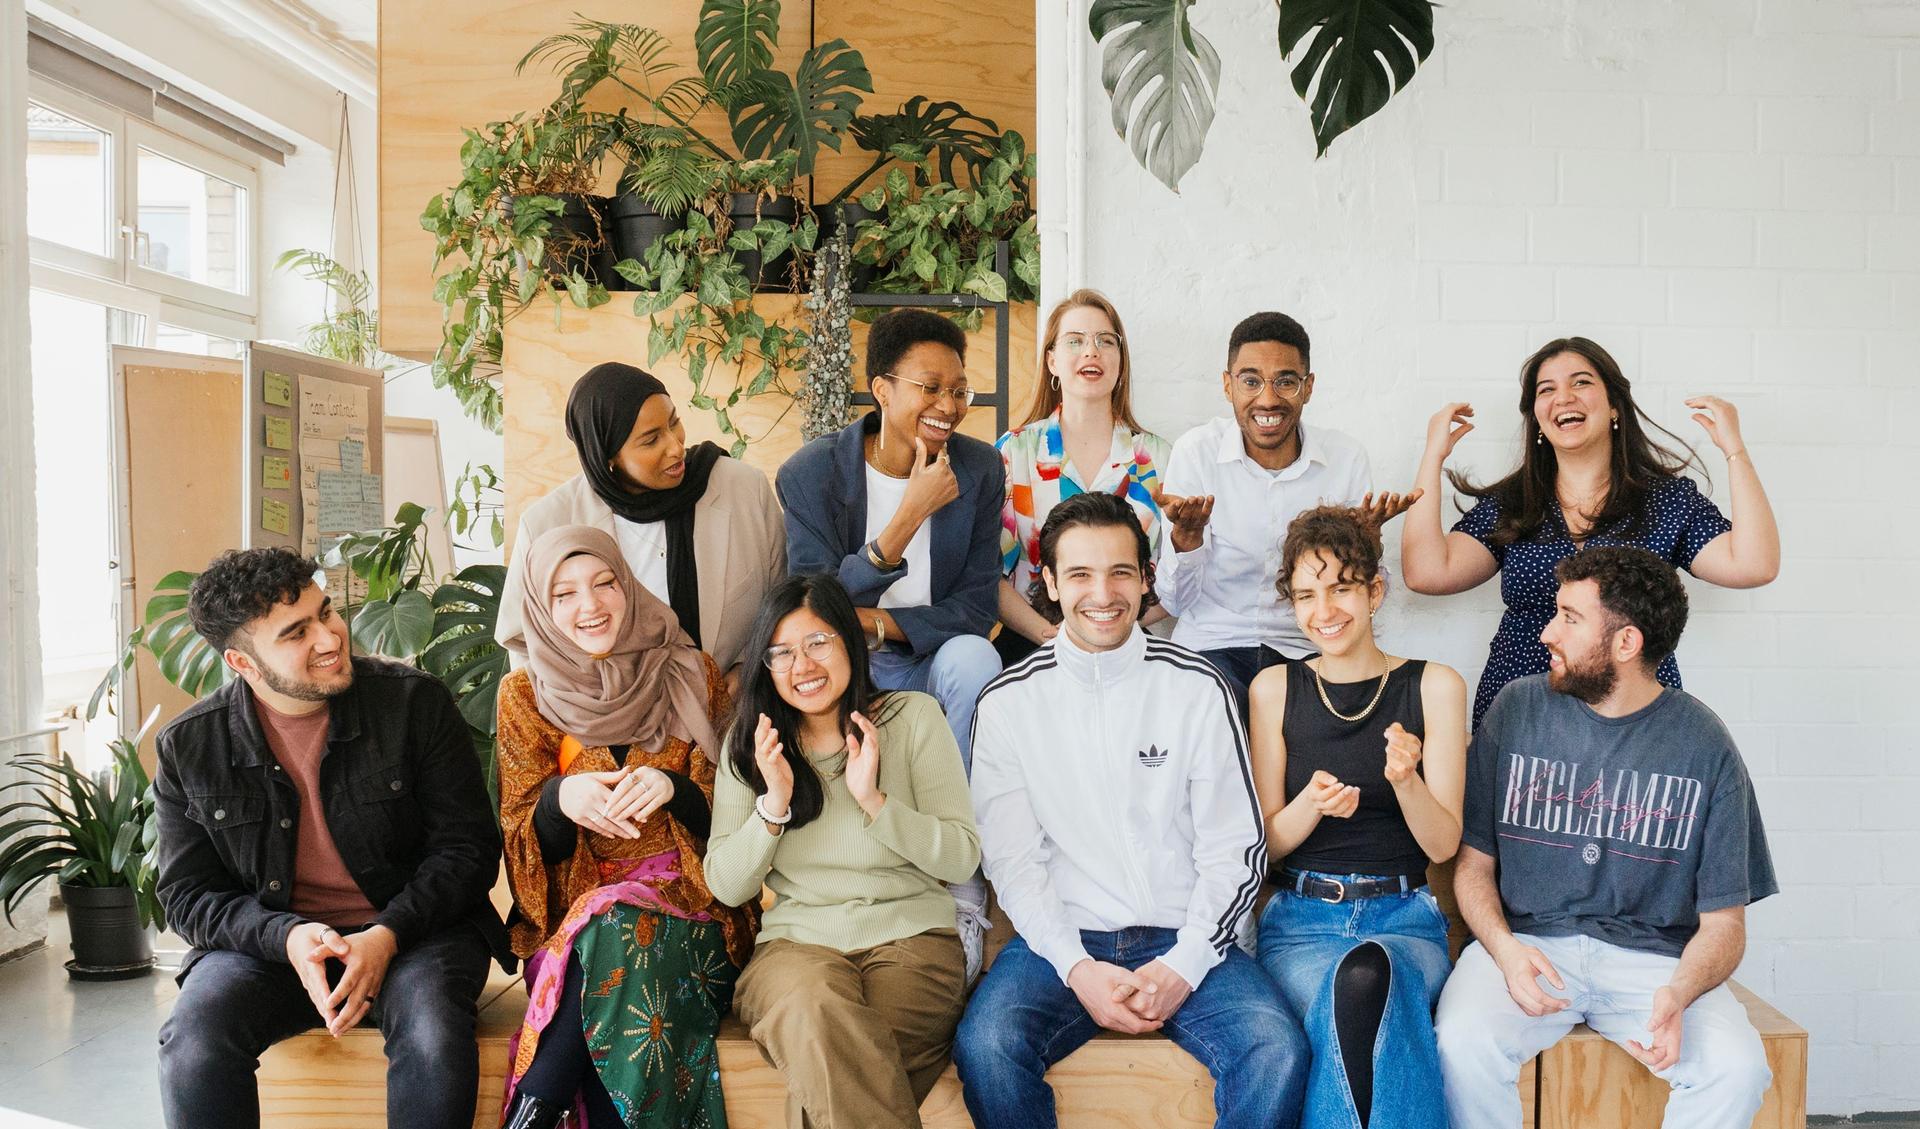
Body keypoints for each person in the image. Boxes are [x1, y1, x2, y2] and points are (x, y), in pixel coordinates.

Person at [955, 491, 1308, 1129]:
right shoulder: (1007, 703)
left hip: (1185, 932)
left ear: (1147, 580)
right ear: (1051, 584)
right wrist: (1076, 967)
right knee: (986, 1046)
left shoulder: (1198, 686)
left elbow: (1235, 847)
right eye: (1081, 574)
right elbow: (1012, 861)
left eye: (1121, 571)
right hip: (1059, 943)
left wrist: (1186, 961)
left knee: (1274, 1048)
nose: (1103, 593)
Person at [153, 548, 509, 1129]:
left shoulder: (413, 703)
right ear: (242, 661)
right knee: (193, 1038)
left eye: (327, 612)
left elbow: (466, 849)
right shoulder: (190, 746)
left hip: (415, 935)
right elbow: (188, 895)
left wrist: (386, 935)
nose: (329, 637)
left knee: (433, 1032)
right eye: (297, 632)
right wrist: (287, 937)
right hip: (274, 950)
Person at [1434, 546, 1777, 1129]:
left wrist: (1681, 992)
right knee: (1460, 1044)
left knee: (1738, 1069)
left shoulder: (1704, 743)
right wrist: (1505, 950)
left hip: (1657, 963)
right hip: (1530, 948)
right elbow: (1473, 866)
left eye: (1569, 617)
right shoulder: (1515, 710)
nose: (1547, 633)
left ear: (1626, 643)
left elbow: (1725, 925)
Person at [494, 527, 758, 1129]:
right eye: (563, 594)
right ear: (539, 604)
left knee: (614, 926)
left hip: (692, 918)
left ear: (627, 583)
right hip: (575, 930)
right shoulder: (524, 696)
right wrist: (561, 800)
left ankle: (528, 1117)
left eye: (603, 582)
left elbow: (733, 821)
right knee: (607, 928)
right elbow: (519, 836)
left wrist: (677, 789)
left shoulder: (691, 675)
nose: (589, 606)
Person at [704, 574, 982, 1129]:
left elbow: (961, 858)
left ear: (851, 643)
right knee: (818, 1017)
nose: (802, 666)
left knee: (837, 1060)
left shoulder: (913, 718)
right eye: (781, 653)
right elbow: (727, 886)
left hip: (913, 945)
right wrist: (773, 805)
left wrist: (874, 800)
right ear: (765, 665)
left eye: (818, 643)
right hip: (795, 951)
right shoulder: (750, 745)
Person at [776, 308, 1001, 973]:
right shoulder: (810, 475)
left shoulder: (980, 470)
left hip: (933, 658)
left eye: (959, 389)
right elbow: (814, 609)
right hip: (852, 669)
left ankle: (961, 885)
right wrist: (906, 517)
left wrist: (878, 623)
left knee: (975, 656)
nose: (948, 405)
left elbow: (978, 604)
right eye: (929, 387)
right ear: (882, 389)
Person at [1402, 337, 1780, 725]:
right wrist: (1433, 456)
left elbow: (1753, 564)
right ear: (1536, 418)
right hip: (1522, 716)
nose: (1563, 397)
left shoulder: (1665, 501)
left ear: (1615, 405)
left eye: (1581, 383)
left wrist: (1734, 450)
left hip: (1633, 718)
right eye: (1546, 389)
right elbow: (1427, 572)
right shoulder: (1514, 503)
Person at [1249, 506, 1468, 1129]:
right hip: (1298, 926)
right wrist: (1308, 808)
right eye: (1306, 595)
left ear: (1374, 592)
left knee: (1372, 973)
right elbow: (1264, 847)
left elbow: (1443, 844)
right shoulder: (1273, 689)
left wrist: (1406, 782)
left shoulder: (1435, 686)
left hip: (1407, 922)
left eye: (1342, 588)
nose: (1325, 611)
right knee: (1357, 984)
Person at [1156, 312, 1412, 709]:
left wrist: (1368, 548)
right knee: (1215, 718)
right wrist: (1185, 541)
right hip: (1213, 647)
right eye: (1251, 381)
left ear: (1308, 388)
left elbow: (1365, 599)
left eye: (1286, 382)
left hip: (1305, 651)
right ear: (1228, 385)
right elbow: (1174, 603)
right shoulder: (1197, 452)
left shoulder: (1345, 458)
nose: (1268, 398)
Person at [497, 361, 786, 680]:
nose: (676, 447)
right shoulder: (548, 524)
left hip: (736, 719)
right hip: (608, 725)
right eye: (651, 440)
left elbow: (782, 603)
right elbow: (525, 645)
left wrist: (745, 675)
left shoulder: (744, 490)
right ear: (607, 455)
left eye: (674, 423)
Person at [994, 288, 1170, 665]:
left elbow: (1181, 573)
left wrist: (1111, 629)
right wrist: (1050, 635)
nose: (1091, 351)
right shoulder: (1014, 453)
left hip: (1129, 640)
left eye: (1105, 341)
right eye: (1075, 341)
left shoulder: (1159, 458)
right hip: (1033, 641)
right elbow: (985, 571)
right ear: (1052, 361)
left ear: (1120, 362)